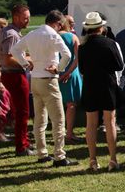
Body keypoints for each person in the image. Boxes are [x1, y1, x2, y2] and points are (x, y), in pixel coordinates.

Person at [11, 10, 77, 167]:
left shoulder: (33, 33)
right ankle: (59, 156)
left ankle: (42, 153)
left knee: (39, 119)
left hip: (35, 79)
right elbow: (67, 55)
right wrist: (58, 68)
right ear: (57, 23)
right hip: (49, 80)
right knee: (58, 119)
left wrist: (26, 64)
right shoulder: (53, 35)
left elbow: (15, 50)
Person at [79, 12, 125, 172]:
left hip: (90, 85)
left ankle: (92, 160)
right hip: (107, 85)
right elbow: (119, 65)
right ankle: (113, 159)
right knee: (110, 122)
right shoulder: (109, 43)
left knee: (90, 124)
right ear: (101, 27)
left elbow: (82, 69)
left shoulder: (82, 47)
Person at [0, 5, 35, 156]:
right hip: (15, 75)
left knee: (20, 111)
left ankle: (24, 141)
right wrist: (27, 62)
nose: (28, 21)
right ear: (16, 17)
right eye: (25, 18)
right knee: (22, 112)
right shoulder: (12, 34)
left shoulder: (6, 32)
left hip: (11, 75)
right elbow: (8, 59)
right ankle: (21, 146)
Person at [58, 15, 83, 144]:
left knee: (56, 105)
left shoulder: (53, 36)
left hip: (55, 73)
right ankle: (69, 133)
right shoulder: (73, 37)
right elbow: (78, 58)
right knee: (71, 105)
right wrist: (68, 73)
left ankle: (59, 132)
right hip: (71, 73)